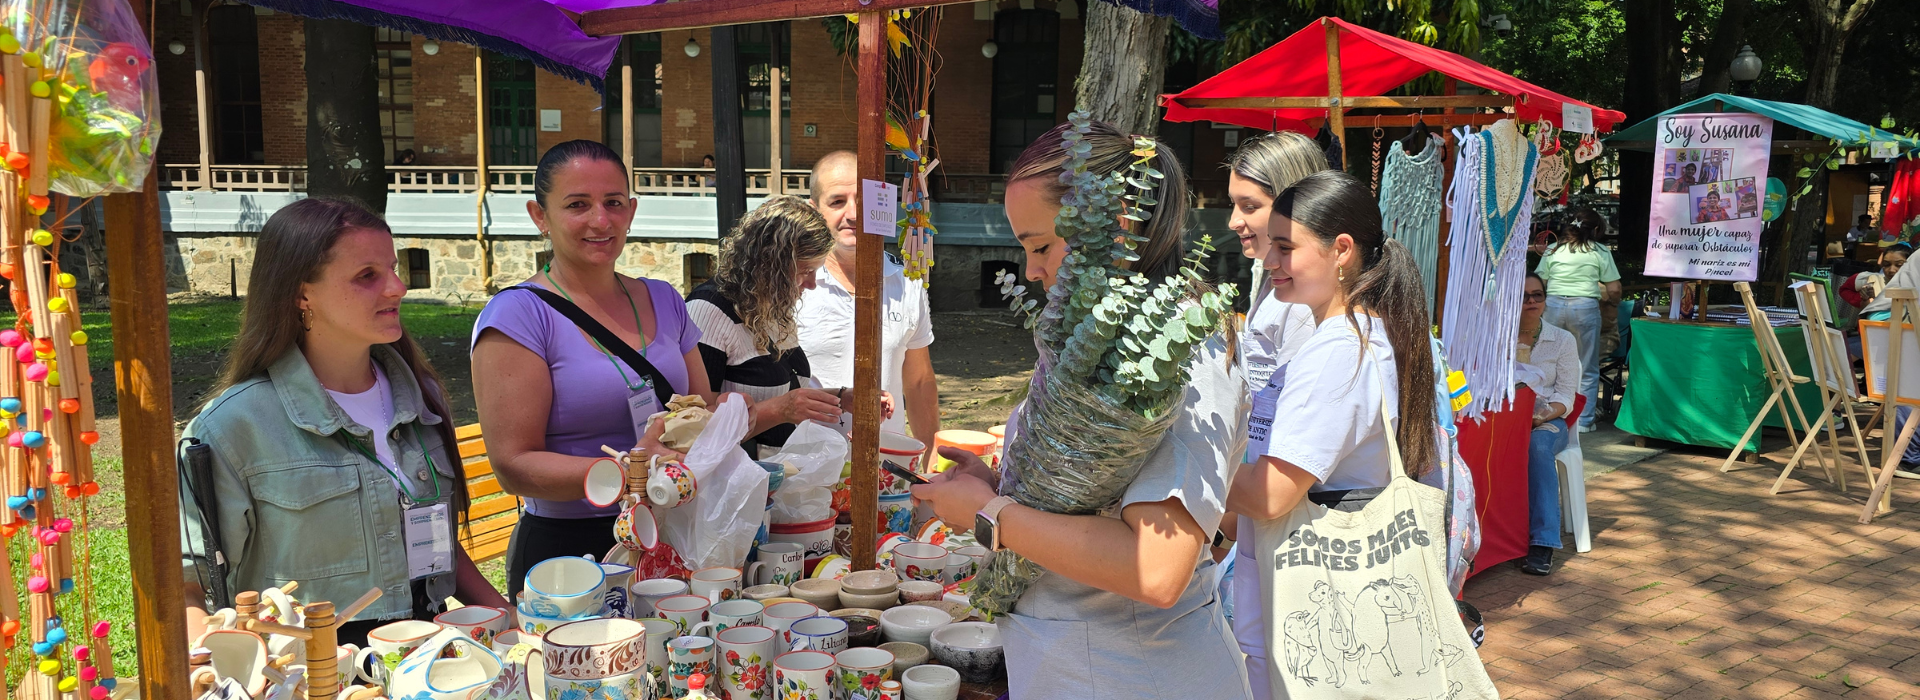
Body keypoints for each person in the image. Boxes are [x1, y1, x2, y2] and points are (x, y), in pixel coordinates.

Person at [909, 120, 1250, 699]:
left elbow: (1158, 567)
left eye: (1041, 246)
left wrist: (993, 514)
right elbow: (1095, 498)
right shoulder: (1082, 343)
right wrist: (1002, 485)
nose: (1032, 270)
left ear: (1114, 228)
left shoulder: (1177, 354)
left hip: (1139, 675)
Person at [181, 198, 509, 647]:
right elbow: (187, 585)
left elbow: (436, 543)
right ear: (301, 293)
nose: (397, 287)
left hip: (429, 661)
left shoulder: (420, 399)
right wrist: (221, 668)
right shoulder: (231, 427)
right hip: (309, 673)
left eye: (393, 269)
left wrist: (506, 616)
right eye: (367, 276)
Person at [1221, 170, 1440, 699]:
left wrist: (1178, 461)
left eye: (1284, 247)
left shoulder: (1338, 349)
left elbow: (1272, 493)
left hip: (1310, 607)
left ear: (1341, 250)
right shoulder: (1376, 330)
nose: (1269, 261)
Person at [471, 140, 717, 595]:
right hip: (572, 552)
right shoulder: (519, 316)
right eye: (577, 205)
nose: (600, 221)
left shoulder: (664, 298)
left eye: (613, 203)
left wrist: (768, 410)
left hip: (675, 530)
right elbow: (513, 466)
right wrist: (631, 474)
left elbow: (700, 408)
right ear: (539, 216)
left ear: (632, 210)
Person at [1215, 132, 1325, 657]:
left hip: (1293, 514)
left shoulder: (1306, 306)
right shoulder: (1271, 281)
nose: (1233, 221)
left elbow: (1292, 456)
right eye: (1233, 204)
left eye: (1248, 206)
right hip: (1261, 507)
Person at [686, 195, 893, 454]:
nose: (812, 283)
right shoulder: (708, 311)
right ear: (771, 265)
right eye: (805, 270)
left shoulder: (772, 307)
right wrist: (781, 410)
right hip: (734, 478)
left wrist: (841, 397)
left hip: (778, 472)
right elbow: (694, 425)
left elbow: (787, 391)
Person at [800, 151, 939, 458]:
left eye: (863, 200)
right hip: (807, 474)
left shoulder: (907, 283)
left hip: (885, 473)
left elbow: (918, 382)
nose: (853, 213)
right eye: (837, 201)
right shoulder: (793, 285)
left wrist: (929, 459)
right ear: (813, 210)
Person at [1514, 273, 1580, 576]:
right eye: (1524, 295)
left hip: (1548, 421)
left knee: (1537, 446)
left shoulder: (1562, 340)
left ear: (1545, 299)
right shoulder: (1497, 338)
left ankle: (1542, 542)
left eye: (1537, 295)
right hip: (1506, 420)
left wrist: (1538, 417)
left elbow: (1567, 395)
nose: (1531, 302)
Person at [1534, 206, 1621, 432]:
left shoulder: (1553, 250)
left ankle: (1545, 413)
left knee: (1547, 360)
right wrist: (1612, 304)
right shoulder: (1599, 251)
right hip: (1584, 308)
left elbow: (1539, 282)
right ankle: (1583, 421)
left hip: (1552, 305)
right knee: (1587, 365)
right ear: (1595, 230)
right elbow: (1614, 289)